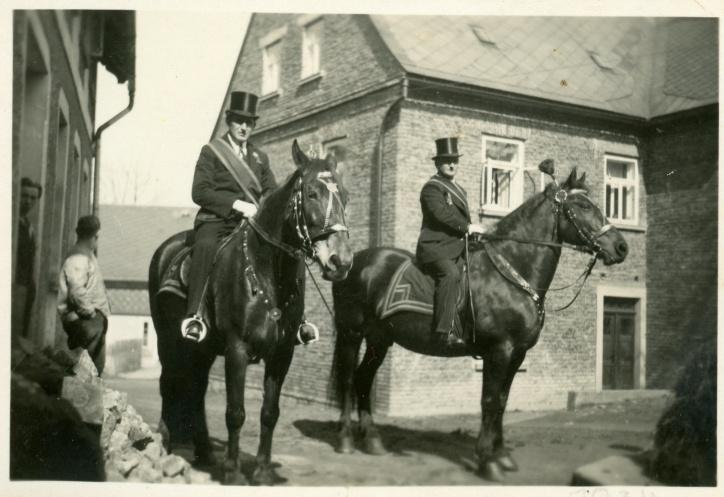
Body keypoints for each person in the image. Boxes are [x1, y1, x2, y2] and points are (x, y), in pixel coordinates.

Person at [182, 91, 277, 341]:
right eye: (239, 121)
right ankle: (195, 315)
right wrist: (237, 205)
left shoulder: (260, 157)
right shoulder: (212, 151)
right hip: (218, 220)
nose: (244, 127)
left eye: (249, 122)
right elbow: (199, 191)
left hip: (252, 223)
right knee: (205, 246)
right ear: (229, 121)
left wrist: (263, 207)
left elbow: (270, 190)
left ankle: (292, 319)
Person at [416, 137, 486, 347]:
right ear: (437, 163)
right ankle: (443, 331)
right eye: (447, 160)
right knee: (451, 274)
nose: (452, 164)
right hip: (435, 249)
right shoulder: (431, 188)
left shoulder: (460, 190)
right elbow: (441, 214)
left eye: (455, 160)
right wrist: (467, 227)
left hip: (456, 247)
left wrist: (474, 232)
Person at [57, 215, 111, 375]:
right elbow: (77, 291)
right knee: (86, 371)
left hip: (89, 321)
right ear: (94, 236)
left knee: (92, 370)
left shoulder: (85, 254)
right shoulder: (79, 257)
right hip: (85, 321)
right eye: (96, 237)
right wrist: (91, 313)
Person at [13, 177, 42, 338]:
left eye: (33, 198)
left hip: (26, 285)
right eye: (24, 196)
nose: (28, 201)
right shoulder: (10, 222)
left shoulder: (28, 225)